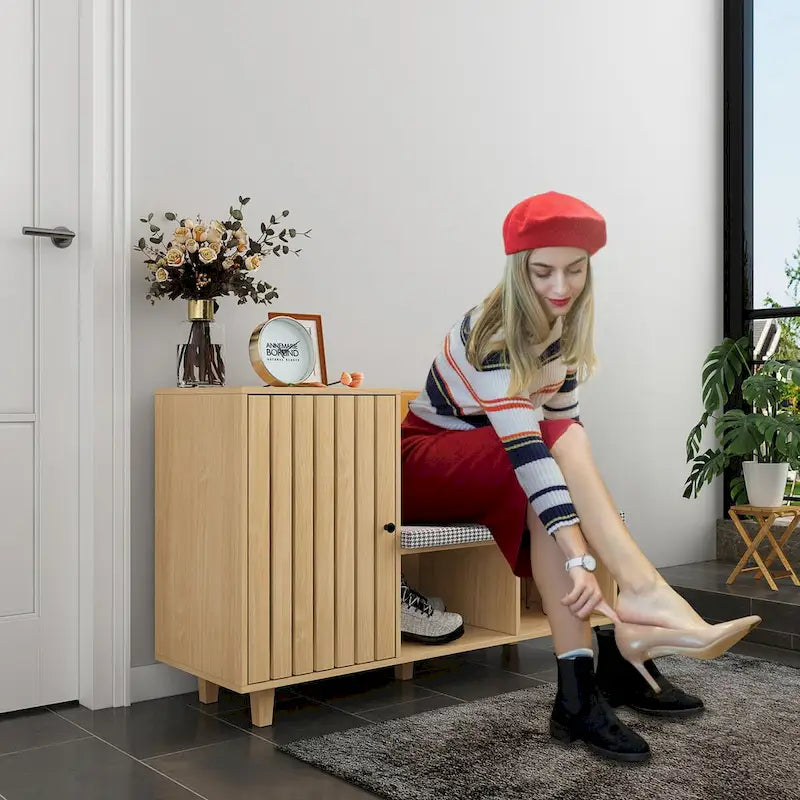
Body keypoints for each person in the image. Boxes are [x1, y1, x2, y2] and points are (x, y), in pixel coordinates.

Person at [400, 191, 762, 763]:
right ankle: (642, 603)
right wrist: (577, 557)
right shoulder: (490, 330)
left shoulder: (562, 333)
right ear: (519, 269)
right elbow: (530, 445)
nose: (560, 286)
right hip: (426, 465)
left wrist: (579, 525)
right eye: (542, 271)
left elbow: (568, 435)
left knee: (565, 472)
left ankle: (587, 684)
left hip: (497, 462)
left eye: (575, 269)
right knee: (556, 467)